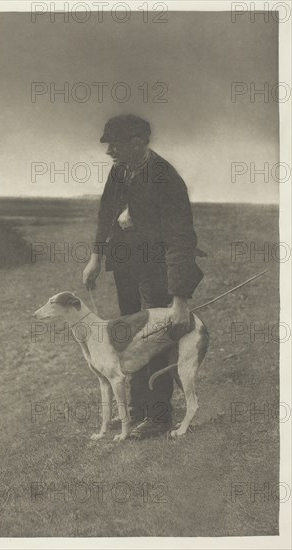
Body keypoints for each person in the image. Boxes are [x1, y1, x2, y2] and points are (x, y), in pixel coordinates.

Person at [83, 114, 205, 438]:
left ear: (138, 144)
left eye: (115, 144)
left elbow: (181, 241)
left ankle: (158, 416)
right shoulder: (120, 170)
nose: (109, 151)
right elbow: (106, 213)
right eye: (109, 145)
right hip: (125, 266)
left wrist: (179, 300)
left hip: (156, 269)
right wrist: (96, 257)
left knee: (156, 339)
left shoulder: (167, 179)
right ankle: (137, 407)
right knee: (129, 335)